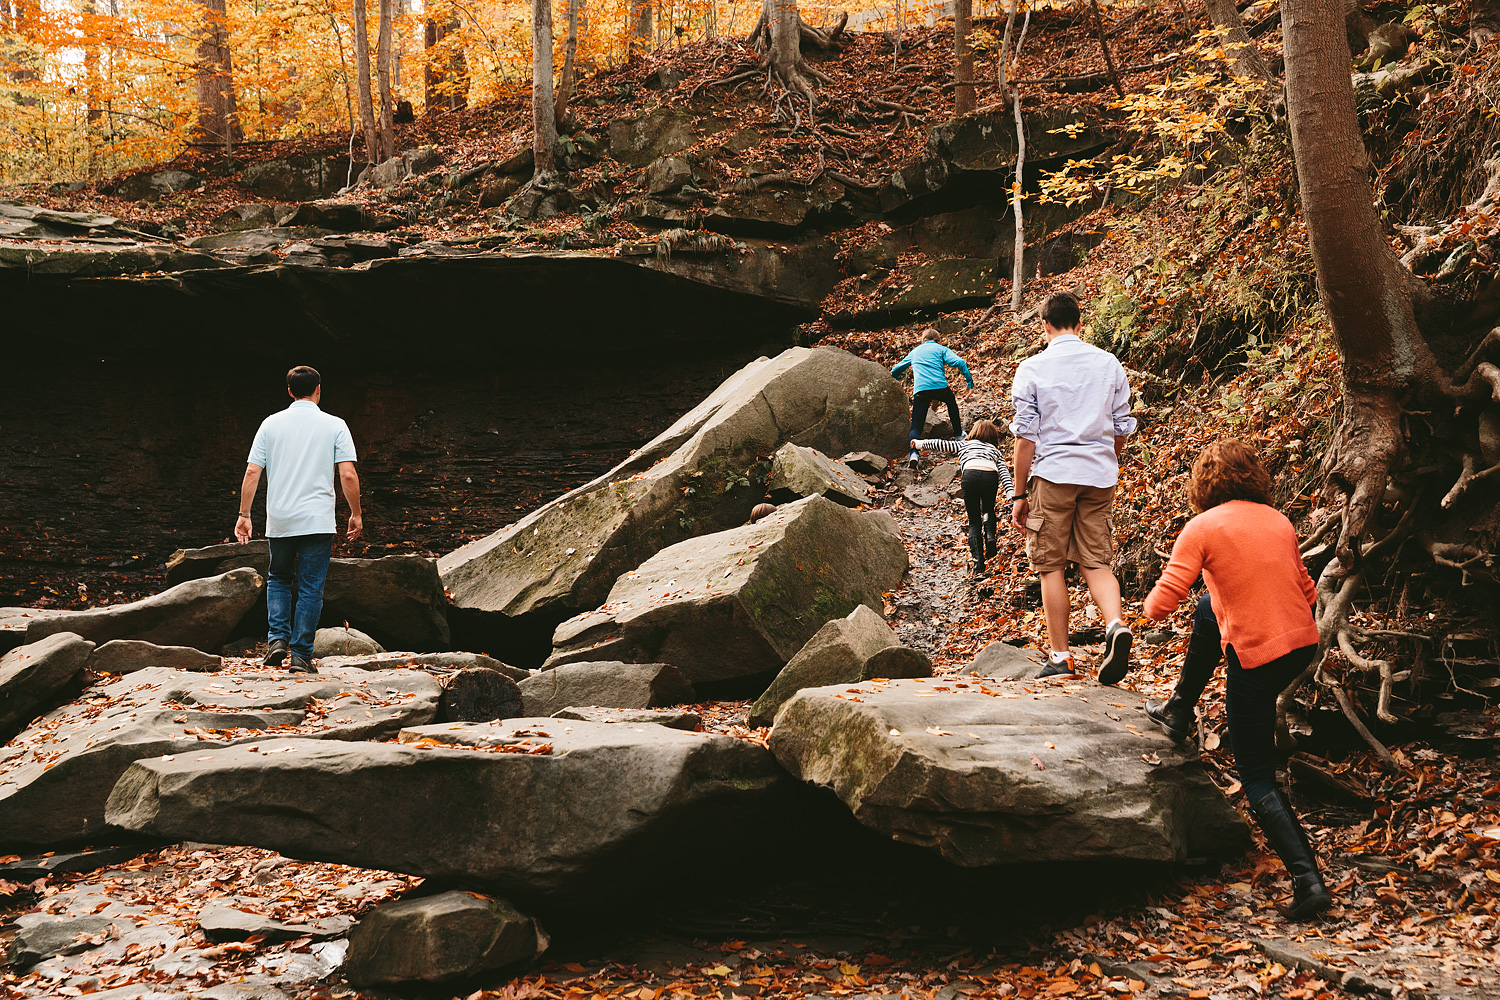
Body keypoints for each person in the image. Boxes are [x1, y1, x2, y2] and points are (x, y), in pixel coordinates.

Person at [1141, 439, 1331, 920]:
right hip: (1302, 644)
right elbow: (1307, 591)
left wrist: (1141, 610)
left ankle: (1308, 882)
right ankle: (1180, 709)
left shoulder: (1202, 526)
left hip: (1258, 658)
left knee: (1256, 775)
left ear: (1205, 484)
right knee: (1209, 607)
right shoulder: (1279, 520)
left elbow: (1163, 601)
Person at [1009, 291, 1135, 682]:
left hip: (1054, 475)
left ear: (1044, 325)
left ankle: (1061, 656)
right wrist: (1107, 461)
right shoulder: (1109, 364)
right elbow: (1121, 426)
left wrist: (1018, 492)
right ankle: (1115, 625)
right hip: (1099, 475)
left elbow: (1025, 438)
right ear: (1081, 324)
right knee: (1095, 561)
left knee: (1050, 566)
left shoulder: (1032, 368)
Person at [235, 366, 362, 673]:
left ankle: (277, 639)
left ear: (289, 391)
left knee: (278, 578)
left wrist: (244, 515)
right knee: (310, 587)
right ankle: (301, 656)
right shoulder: (335, 425)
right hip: (317, 520)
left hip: (281, 519)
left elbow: (253, 471)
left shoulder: (270, 424)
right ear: (318, 390)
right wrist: (356, 513)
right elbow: (347, 473)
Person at [911, 418, 1014, 578]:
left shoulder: (964, 444)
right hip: (990, 475)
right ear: (993, 436)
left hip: (970, 475)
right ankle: (990, 536)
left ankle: (978, 563)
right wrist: (1010, 494)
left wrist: (919, 444)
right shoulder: (995, 451)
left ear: (974, 432)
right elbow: (1005, 474)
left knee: (974, 520)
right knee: (987, 509)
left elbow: (940, 444)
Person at [891, 328, 973, 457]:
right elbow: (960, 362)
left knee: (916, 426)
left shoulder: (915, 351)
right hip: (940, 387)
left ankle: (914, 454)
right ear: (939, 340)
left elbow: (896, 369)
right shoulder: (941, 349)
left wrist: (891, 380)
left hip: (921, 390)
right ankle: (958, 434)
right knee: (951, 402)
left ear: (922, 340)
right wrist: (969, 383)